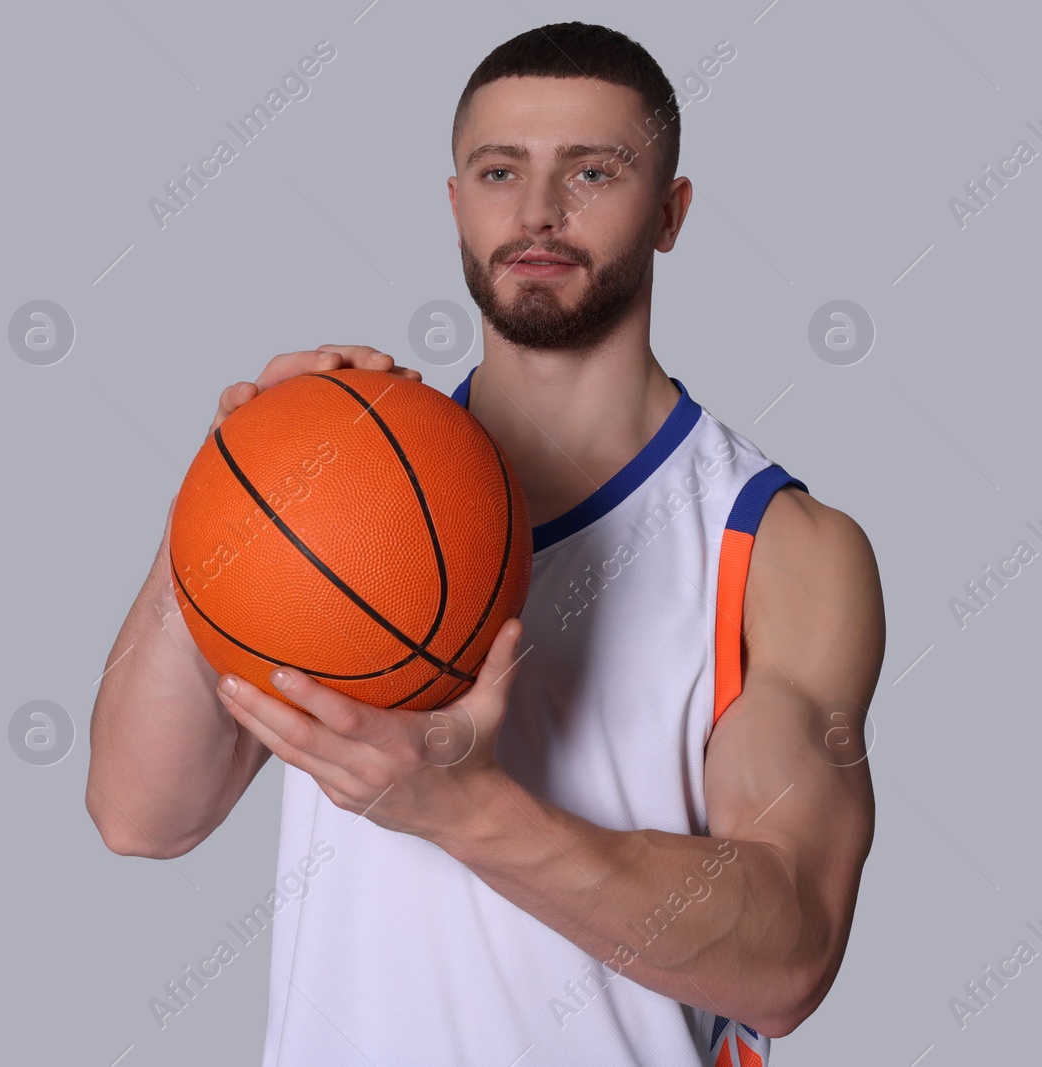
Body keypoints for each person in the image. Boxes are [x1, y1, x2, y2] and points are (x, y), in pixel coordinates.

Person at [87, 21, 882, 1066]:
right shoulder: (331, 495)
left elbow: (788, 956)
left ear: (670, 214)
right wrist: (232, 489)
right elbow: (142, 814)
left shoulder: (776, 546)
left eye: (593, 171)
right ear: (455, 205)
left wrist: (462, 809)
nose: (538, 210)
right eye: (499, 170)